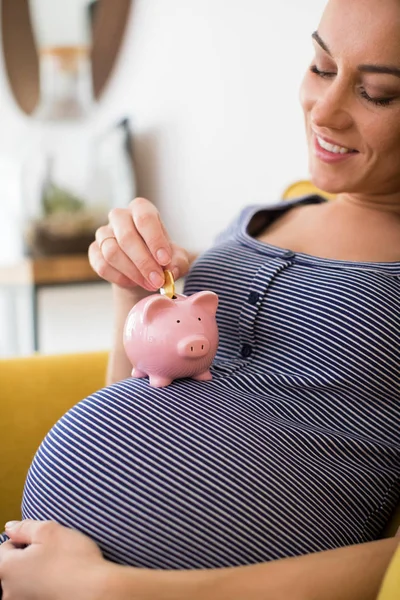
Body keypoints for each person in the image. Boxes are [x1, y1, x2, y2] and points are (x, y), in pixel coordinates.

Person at [1, 0, 400, 597]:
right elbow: (137, 403)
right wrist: (132, 299)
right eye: (320, 66)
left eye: (376, 93)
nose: (325, 108)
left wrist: (109, 589)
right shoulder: (260, 220)